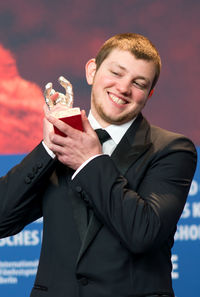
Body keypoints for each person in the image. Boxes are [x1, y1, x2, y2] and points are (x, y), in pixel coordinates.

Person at [0, 33, 197, 297]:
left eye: (138, 83)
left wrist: (90, 161)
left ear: (149, 94)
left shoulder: (172, 149)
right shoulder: (62, 144)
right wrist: (49, 146)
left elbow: (143, 233)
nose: (124, 88)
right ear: (92, 70)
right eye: (116, 73)